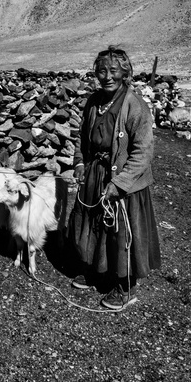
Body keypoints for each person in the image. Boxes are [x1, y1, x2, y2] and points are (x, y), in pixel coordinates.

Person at [68, 46, 161, 311]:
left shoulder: (135, 105)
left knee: (121, 231)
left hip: (124, 181)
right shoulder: (94, 101)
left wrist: (119, 183)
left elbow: (144, 152)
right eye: (102, 71)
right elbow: (82, 136)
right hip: (95, 174)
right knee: (93, 223)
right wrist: (79, 162)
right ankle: (96, 270)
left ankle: (125, 286)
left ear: (125, 73)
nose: (107, 76)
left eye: (114, 71)